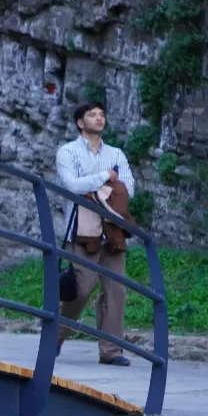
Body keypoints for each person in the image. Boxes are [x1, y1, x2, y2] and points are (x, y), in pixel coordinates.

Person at [55, 101, 136, 366]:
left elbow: (128, 190)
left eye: (102, 114)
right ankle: (53, 337)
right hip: (81, 230)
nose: (99, 119)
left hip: (113, 229)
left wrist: (95, 188)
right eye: (92, 115)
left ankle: (111, 350)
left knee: (116, 291)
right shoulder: (67, 152)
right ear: (80, 122)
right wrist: (105, 178)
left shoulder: (116, 154)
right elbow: (71, 186)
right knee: (80, 289)